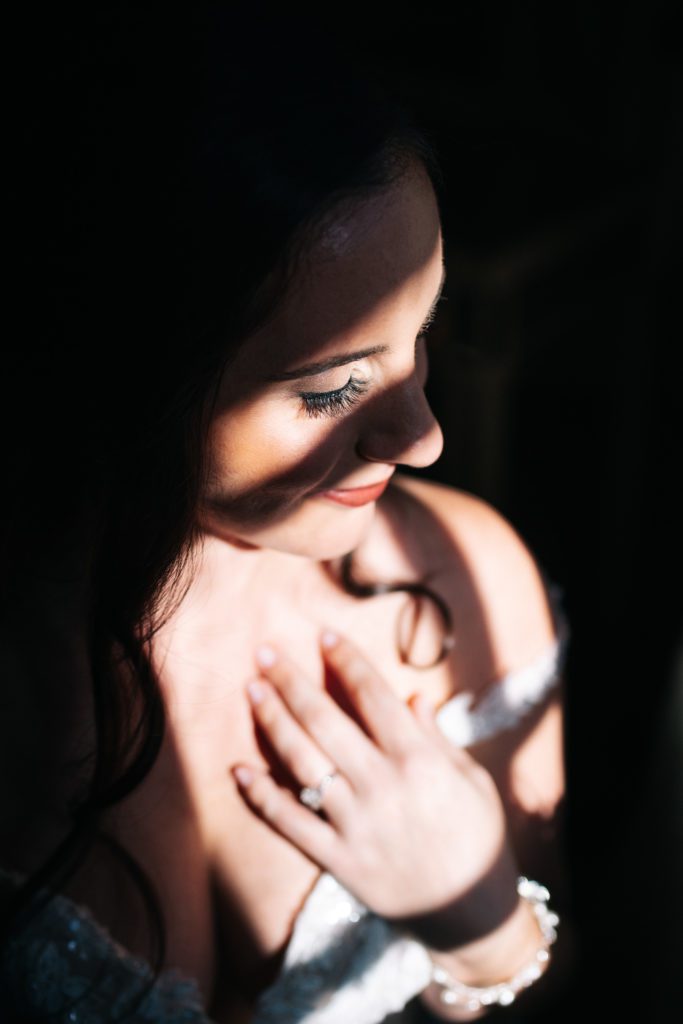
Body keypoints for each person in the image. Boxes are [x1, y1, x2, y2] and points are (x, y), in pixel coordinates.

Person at [1, 8, 572, 1022]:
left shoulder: (467, 585)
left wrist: (485, 922)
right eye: (331, 389)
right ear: (127, 382)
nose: (425, 436)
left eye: (422, 332)